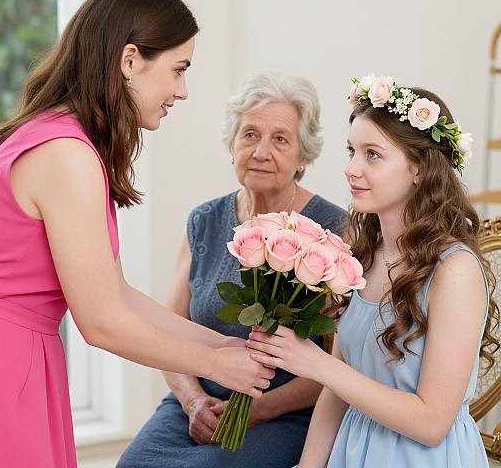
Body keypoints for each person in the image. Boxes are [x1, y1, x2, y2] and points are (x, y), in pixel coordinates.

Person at [0, 0, 274, 468]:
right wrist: (215, 364)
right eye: (178, 70)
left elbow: (116, 294)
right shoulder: (65, 154)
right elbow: (101, 322)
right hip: (5, 360)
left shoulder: (56, 136)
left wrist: (219, 342)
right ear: (129, 61)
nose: (182, 91)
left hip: (18, 355)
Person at [247, 75, 500, 467]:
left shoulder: (455, 272)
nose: (351, 168)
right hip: (352, 449)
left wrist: (318, 364)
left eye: (372, 154)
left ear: (418, 168)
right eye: (351, 151)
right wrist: (309, 464)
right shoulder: (361, 255)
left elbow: (432, 422)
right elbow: (337, 387)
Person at [117, 72, 347, 468]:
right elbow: (169, 331)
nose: (260, 151)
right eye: (250, 134)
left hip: (284, 413)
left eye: (280, 139)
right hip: (197, 403)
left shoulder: (330, 232)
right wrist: (193, 401)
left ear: (303, 155)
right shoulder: (204, 220)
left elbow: (339, 366)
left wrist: (260, 408)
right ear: (232, 144)